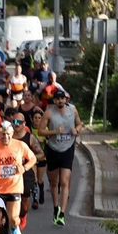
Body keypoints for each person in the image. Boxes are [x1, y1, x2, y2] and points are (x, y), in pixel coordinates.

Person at [0, 121, 36, 234]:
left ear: (12, 133)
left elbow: (33, 158)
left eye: (7, 134)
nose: (5, 137)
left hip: (14, 187)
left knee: (13, 219)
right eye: (2, 134)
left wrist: (24, 168)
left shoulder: (20, 145)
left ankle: (15, 232)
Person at [39, 90, 78, 225]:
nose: (61, 101)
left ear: (66, 100)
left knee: (64, 181)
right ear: (54, 100)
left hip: (68, 149)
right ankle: (56, 208)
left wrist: (76, 130)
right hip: (53, 149)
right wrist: (55, 132)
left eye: (63, 98)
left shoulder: (72, 110)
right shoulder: (49, 113)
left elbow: (79, 124)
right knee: (54, 182)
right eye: (58, 99)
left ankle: (62, 214)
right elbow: (40, 131)